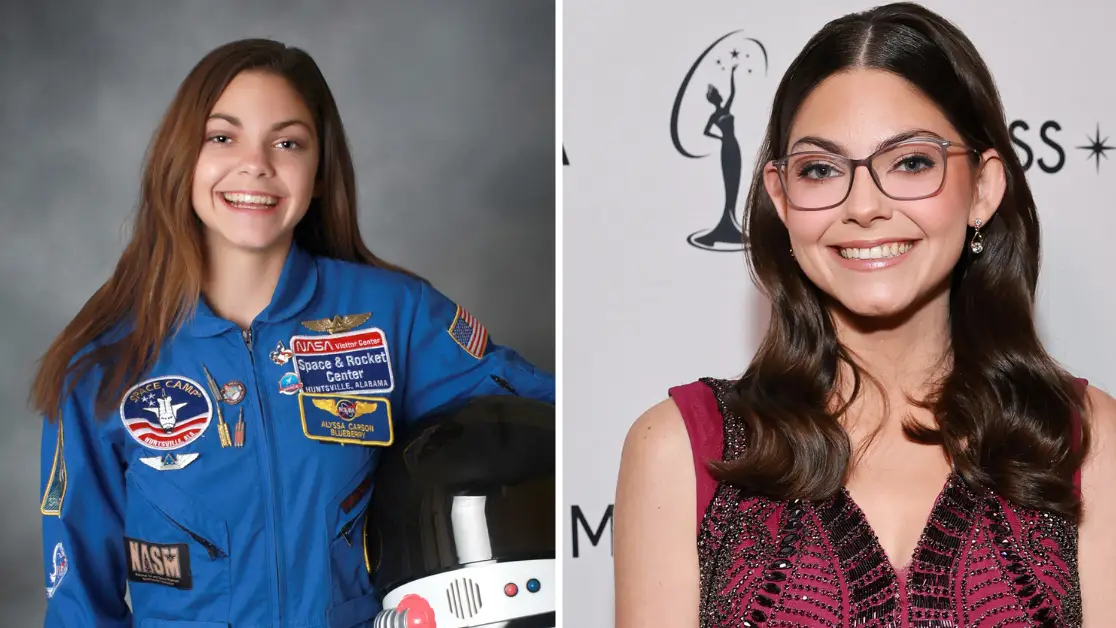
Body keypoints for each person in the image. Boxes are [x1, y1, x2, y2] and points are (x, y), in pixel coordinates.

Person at [613, 3, 1115, 626]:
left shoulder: (1086, 441)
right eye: (821, 170)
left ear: (984, 187)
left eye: (910, 162)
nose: (864, 206)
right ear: (782, 197)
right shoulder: (682, 450)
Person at [32, 38, 554, 626]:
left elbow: (549, 418)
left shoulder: (393, 317)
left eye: (287, 142)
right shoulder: (106, 363)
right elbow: (79, 604)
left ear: (320, 172)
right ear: (182, 161)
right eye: (223, 137)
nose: (256, 164)